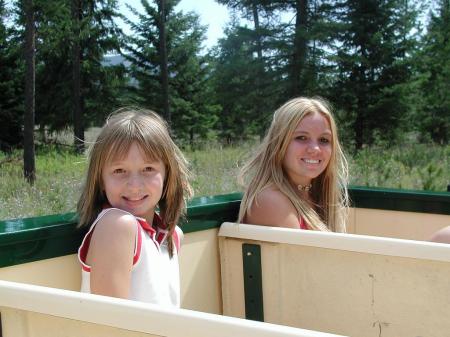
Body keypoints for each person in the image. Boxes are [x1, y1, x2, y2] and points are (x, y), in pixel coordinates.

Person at [77, 108, 192, 307]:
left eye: (148, 169)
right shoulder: (117, 226)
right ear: (100, 180)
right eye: (119, 170)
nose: (135, 185)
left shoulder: (173, 235)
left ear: (168, 175)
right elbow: (113, 324)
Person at [238, 97, 348, 232]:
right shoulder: (271, 200)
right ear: (279, 143)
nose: (315, 149)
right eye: (301, 137)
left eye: (324, 140)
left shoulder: (314, 194)